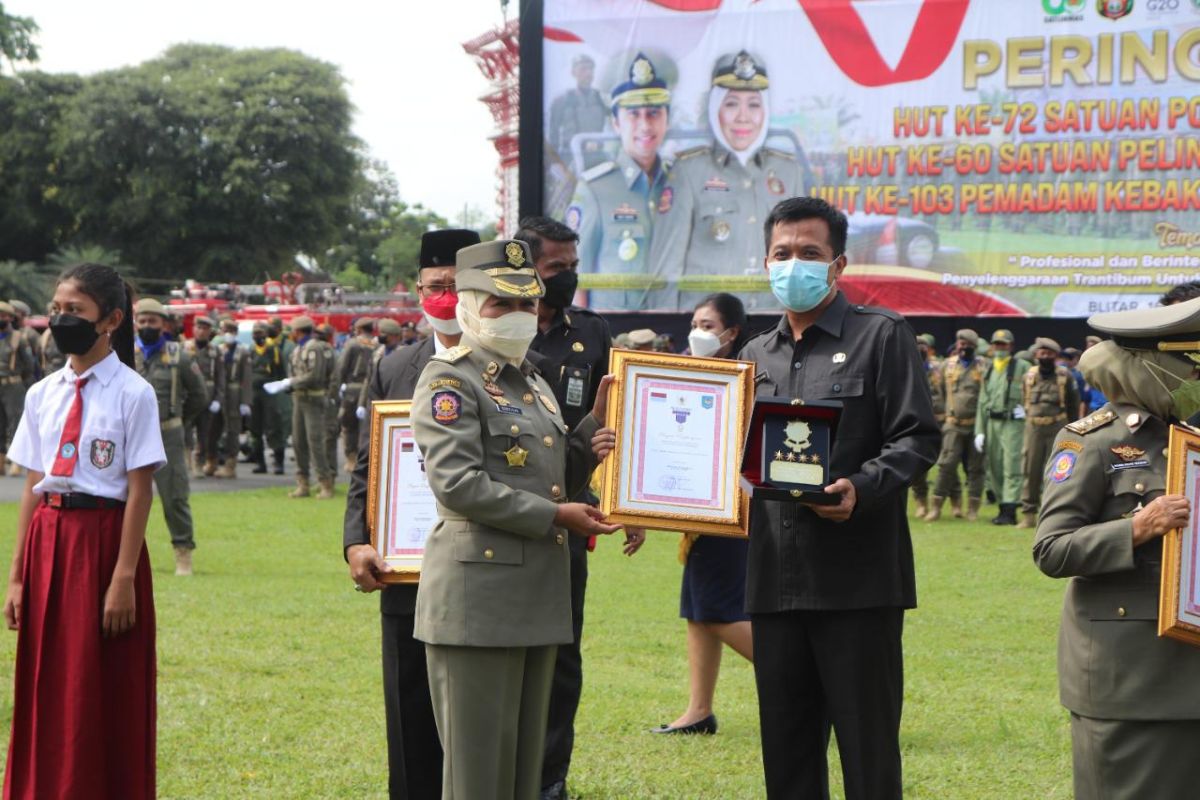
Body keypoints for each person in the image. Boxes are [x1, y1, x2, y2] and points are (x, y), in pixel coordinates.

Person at [740, 196, 939, 799]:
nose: (793, 264)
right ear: (766, 260)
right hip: (774, 579)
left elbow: (917, 436)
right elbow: (728, 455)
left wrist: (863, 486)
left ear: (839, 264)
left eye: (810, 253)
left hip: (857, 583)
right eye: (782, 253)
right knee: (787, 751)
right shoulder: (752, 356)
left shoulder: (883, 336)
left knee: (867, 751)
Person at [411, 239, 620, 800]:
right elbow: (458, 485)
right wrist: (557, 514)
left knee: (524, 772)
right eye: (500, 305)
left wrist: (586, 437)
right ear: (466, 305)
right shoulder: (450, 380)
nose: (518, 316)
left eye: (527, 304)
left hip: (534, 595)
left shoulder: (531, 380)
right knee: (479, 777)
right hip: (477, 599)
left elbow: (544, 475)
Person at [2, 263, 165, 799]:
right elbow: (32, 484)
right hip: (49, 541)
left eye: (75, 311)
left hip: (103, 543)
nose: (60, 319)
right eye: (57, 309)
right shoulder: (42, 393)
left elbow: (139, 490)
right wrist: (18, 576)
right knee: (49, 681)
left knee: (101, 684)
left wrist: (122, 577)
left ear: (111, 320)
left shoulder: (133, 393)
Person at [1033, 296, 1200, 799]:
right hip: (1129, 680)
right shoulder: (1091, 442)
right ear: (1152, 366)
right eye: (1188, 365)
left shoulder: (1191, 439)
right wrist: (1138, 526)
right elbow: (1052, 549)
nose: (1195, 377)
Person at [343, 227, 479, 800]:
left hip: (481, 569)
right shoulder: (395, 366)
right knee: (409, 719)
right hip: (405, 571)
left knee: (478, 727)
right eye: (434, 285)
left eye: (455, 285)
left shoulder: (514, 363)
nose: (444, 295)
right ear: (418, 290)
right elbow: (367, 467)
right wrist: (355, 542)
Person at [512, 217, 625, 800]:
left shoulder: (591, 333)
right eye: (556, 267)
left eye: (572, 265)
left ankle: (550, 777)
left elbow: (613, 418)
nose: (569, 277)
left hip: (572, 520)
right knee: (506, 653)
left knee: (562, 653)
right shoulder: (499, 333)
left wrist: (622, 495)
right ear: (525, 267)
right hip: (505, 516)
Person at [651, 292, 753, 738]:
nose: (699, 332)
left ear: (731, 333)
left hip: (731, 507)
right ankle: (698, 710)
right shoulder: (683, 374)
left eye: (709, 325)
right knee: (697, 609)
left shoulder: (746, 376)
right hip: (696, 510)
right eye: (695, 322)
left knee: (716, 609)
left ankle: (807, 679)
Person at [648, 50, 811, 311]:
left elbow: (798, 260)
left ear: (765, 111)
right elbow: (665, 270)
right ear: (716, 109)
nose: (743, 117)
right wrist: (664, 333)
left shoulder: (787, 171)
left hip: (770, 325)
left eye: (754, 105)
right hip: (707, 334)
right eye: (731, 103)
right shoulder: (689, 170)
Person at [568, 52, 672, 310]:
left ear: (666, 119)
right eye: (633, 114)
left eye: (654, 113)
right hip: (615, 335)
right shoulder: (595, 188)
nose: (645, 125)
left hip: (678, 326)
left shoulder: (682, 181)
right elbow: (576, 277)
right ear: (616, 122)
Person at [133, 298, 206, 576]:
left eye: (153, 321)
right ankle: (122, 553)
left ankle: (183, 553)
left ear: (163, 325)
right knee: (122, 497)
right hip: (133, 436)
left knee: (175, 496)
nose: (147, 326)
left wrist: (180, 421)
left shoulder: (178, 356)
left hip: (167, 435)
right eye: (142, 321)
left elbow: (199, 395)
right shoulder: (126, 354)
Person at [265, 316, 335, 499]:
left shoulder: (314, 348)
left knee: (315, 442)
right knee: (298, 442)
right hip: (299, 398)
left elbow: (315, 375)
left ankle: (325, 482)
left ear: (298, 331)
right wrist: (288, 385)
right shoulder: (298, 350)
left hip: (313, 399)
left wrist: (291, 382)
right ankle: (303, 483)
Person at [1017, 337, 1079, 529]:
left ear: (1055, 356)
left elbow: (1073, 405)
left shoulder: (1065, 376)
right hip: (1034, 427)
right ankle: (1028, 514)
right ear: (1036, 355)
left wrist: (1072, 430)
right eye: (1042, 353)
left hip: (1057, 427)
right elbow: (1023, 400)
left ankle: (1054, 514)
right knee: (1030, 469)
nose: (1045, 356)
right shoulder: (1028, 377)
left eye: (1049, 354)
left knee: (1059, 470)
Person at [926, 330, 987, 522]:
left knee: (976, 467)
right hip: (952, 424)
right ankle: (936, 507)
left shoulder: (984, 366)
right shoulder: (947, 365)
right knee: (946, 464)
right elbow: (939, 391)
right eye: (961, 343)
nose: (963, 347)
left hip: (976, 425)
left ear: (974, 347)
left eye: (967, 344)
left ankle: (973, 510)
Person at [974, 329, 1031, 526]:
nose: (999, 348)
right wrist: (979, 431)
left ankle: (1010, 508)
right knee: (995, 466)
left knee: (1011, 465)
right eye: (996, 344)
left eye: (1003, 344)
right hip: (992, 423)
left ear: (1011, 346)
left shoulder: (1022, 367)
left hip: (1013, 423)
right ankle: (1001, 506)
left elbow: (1034, 390)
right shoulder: (989, 368)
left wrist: (1027, 410)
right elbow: (982, 400)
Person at [548, 54, 609, 165]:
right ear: (573, 73)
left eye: (591, 69)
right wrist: (554, 163)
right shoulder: (561, 100)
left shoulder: (601, 99)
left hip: (598, 157)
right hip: (570, 158)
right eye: (583, 69)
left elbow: (616, 124)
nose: (588, 73)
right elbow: (553, 134)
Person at [184, 316, 225, 478]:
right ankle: (186, 462)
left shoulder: (215, 351)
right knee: (185, 431)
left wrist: (218, 399)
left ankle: (199, 463)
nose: (201, 332)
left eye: (205, 329)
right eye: (199, 328)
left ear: (210, 332)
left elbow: (220, 377)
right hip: (188, 396)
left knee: (204, 434)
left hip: (207, 398)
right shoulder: (185, 348)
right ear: (194, 329)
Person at [911, 333, 945, 518]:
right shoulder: (907, 369)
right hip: (917, 422)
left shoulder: (941, 369)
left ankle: (948, 503)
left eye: (924, 346)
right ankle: (921, 503)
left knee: (946, 463)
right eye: (917, 345)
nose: (920, 349)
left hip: (941, 420)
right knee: (918, 466)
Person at [337, 318, 376, 473]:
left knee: (349, 426)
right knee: (368, 426)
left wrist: (339, 385)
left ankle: (351, 458)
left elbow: (342, 366)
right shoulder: (377, 345)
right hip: (370, 388)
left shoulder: (352, 344)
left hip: (353, 388)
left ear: (358, 330)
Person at [0, 302, 34, 478]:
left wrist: (22, 381)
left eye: (3, 315)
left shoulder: (18, 338)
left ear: (10, 318)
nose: (1, 318)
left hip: (13, 384)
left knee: (15, 422)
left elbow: (29, 365)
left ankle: (15, 463)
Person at [248, 321, 287, 474]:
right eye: (255, 333)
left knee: (274, 426)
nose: (257, 336)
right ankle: (260, 463)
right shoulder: (250, 350)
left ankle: (279, 463)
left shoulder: (273, 350)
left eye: (260, 333)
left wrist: (281, 389)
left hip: (270, 393)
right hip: (254, 393)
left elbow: (282, 372)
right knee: (255, 428)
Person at [215, 319, 252, 479]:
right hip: (220, 393)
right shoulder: (217, 350)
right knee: (215, 428)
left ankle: (231, 464)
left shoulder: (243, 351)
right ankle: (212, 461)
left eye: (232, 330)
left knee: (233, 430)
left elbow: (247, 378)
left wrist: (245, 401)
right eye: (226, 330)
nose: (228, 333)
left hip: (235, 394)